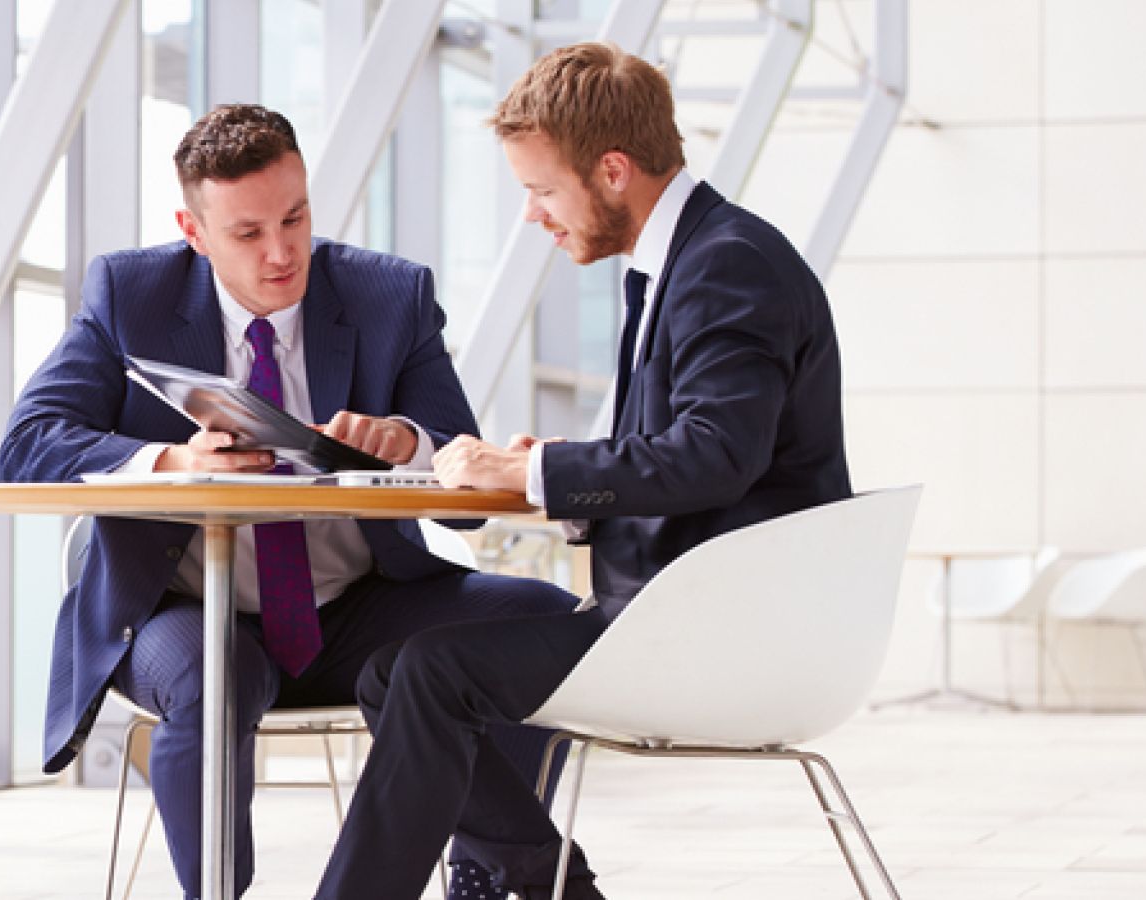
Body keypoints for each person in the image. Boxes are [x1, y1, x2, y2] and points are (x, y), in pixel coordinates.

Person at [0, 103, 587, 899]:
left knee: (541, 621)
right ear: (193, 230)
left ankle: (485, 872)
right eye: (247, 233)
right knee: (212, 679)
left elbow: (466, 492)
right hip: (185, 615)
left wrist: (406, 443)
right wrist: (175, 459)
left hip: (354, 613)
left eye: (295, 218)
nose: (281, 252)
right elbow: (29, 441)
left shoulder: (389, 295)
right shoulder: (130, 294)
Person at [313, 42, 853, 900]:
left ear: (612, 170)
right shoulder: (688, 261)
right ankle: (551, 883)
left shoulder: (728, 265)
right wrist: (538, 474)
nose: (533, 216)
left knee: (430, 674)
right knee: (396, 672)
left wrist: (540, 471)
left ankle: (543, 883)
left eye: (541, 190)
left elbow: (715, 455)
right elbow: (689, 456)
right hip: (683, 615)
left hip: (723, 633)